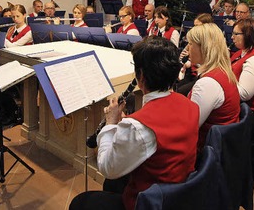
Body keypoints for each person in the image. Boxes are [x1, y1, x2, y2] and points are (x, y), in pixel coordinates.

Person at [69, 37, 199, 210]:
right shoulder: (189, 104)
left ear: (141, 76)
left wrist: (110, 123)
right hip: (179, 191)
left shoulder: (138, 126)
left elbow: (107, 167)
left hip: (152, 202)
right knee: (112, 184)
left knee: (81, 203)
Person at [186, 23, 240, 148]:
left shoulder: (208, 84)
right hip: (224, 146)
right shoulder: (222, 71)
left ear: (204, 48)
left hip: (207, 152)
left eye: (190, 44)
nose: (187, 48)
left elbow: (188, 128)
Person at [0, 4, 32, 125]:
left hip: (21, 66)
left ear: (24, 15)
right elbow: (4, 46)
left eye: (18, 16)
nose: (15, 19)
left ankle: (11, 111)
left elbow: (13, 46)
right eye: (13, 17)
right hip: (7, 63)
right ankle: (7, 109)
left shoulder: (29, 32)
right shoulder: (11, 29)